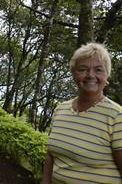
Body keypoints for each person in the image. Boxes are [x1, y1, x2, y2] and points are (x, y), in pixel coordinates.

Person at [42, 42, 122, 184]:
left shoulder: (117, 116)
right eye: (83, 69)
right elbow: (51, 155)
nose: (90, 75)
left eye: (98, 70)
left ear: (107, 75)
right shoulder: (61, 109)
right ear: (73, 74)